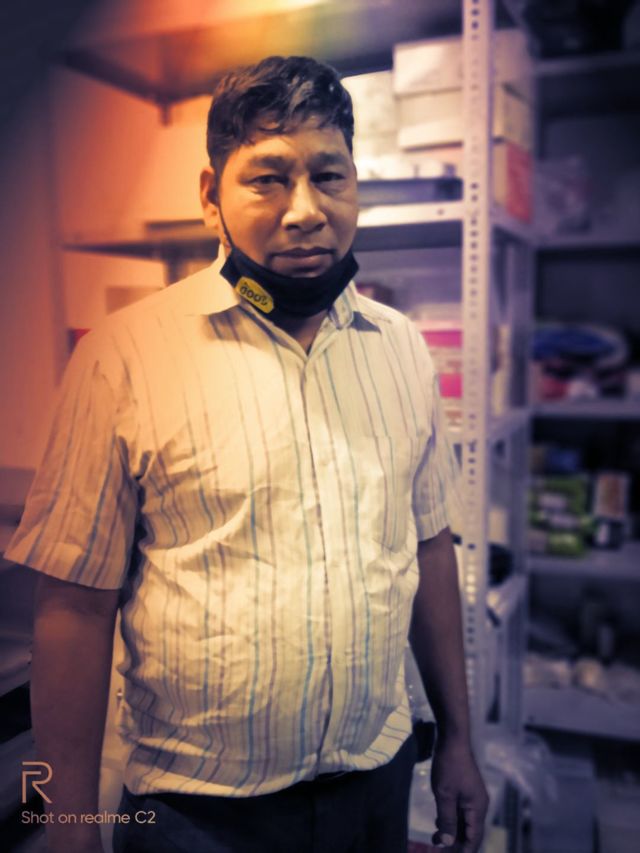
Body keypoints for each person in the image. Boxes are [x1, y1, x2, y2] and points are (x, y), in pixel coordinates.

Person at [6, 55, 488, 853]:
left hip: (377, 782)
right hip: (198, 817)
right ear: (210, 196)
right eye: (268, 179)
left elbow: (430, 549)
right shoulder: (124, 357)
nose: (305, 211)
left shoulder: (401, 349)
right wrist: (69, 824)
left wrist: (461, 739)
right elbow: (73, 610)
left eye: (328, 176)